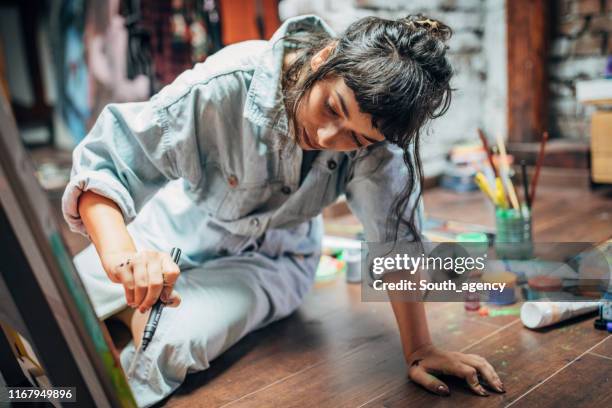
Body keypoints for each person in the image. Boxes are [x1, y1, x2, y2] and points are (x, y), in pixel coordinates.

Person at [62, 14, 504, 407]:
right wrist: (125, 259)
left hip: (273, 261)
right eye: (332, 108)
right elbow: (109, 162)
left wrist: (420, 347)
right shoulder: (227, 82)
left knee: (173, 344)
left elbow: (395, 242)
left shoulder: (380, 147)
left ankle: (82, 363)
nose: (331, 138)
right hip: (174, 229)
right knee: (57, 300)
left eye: (357, 139)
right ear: (324, 57)